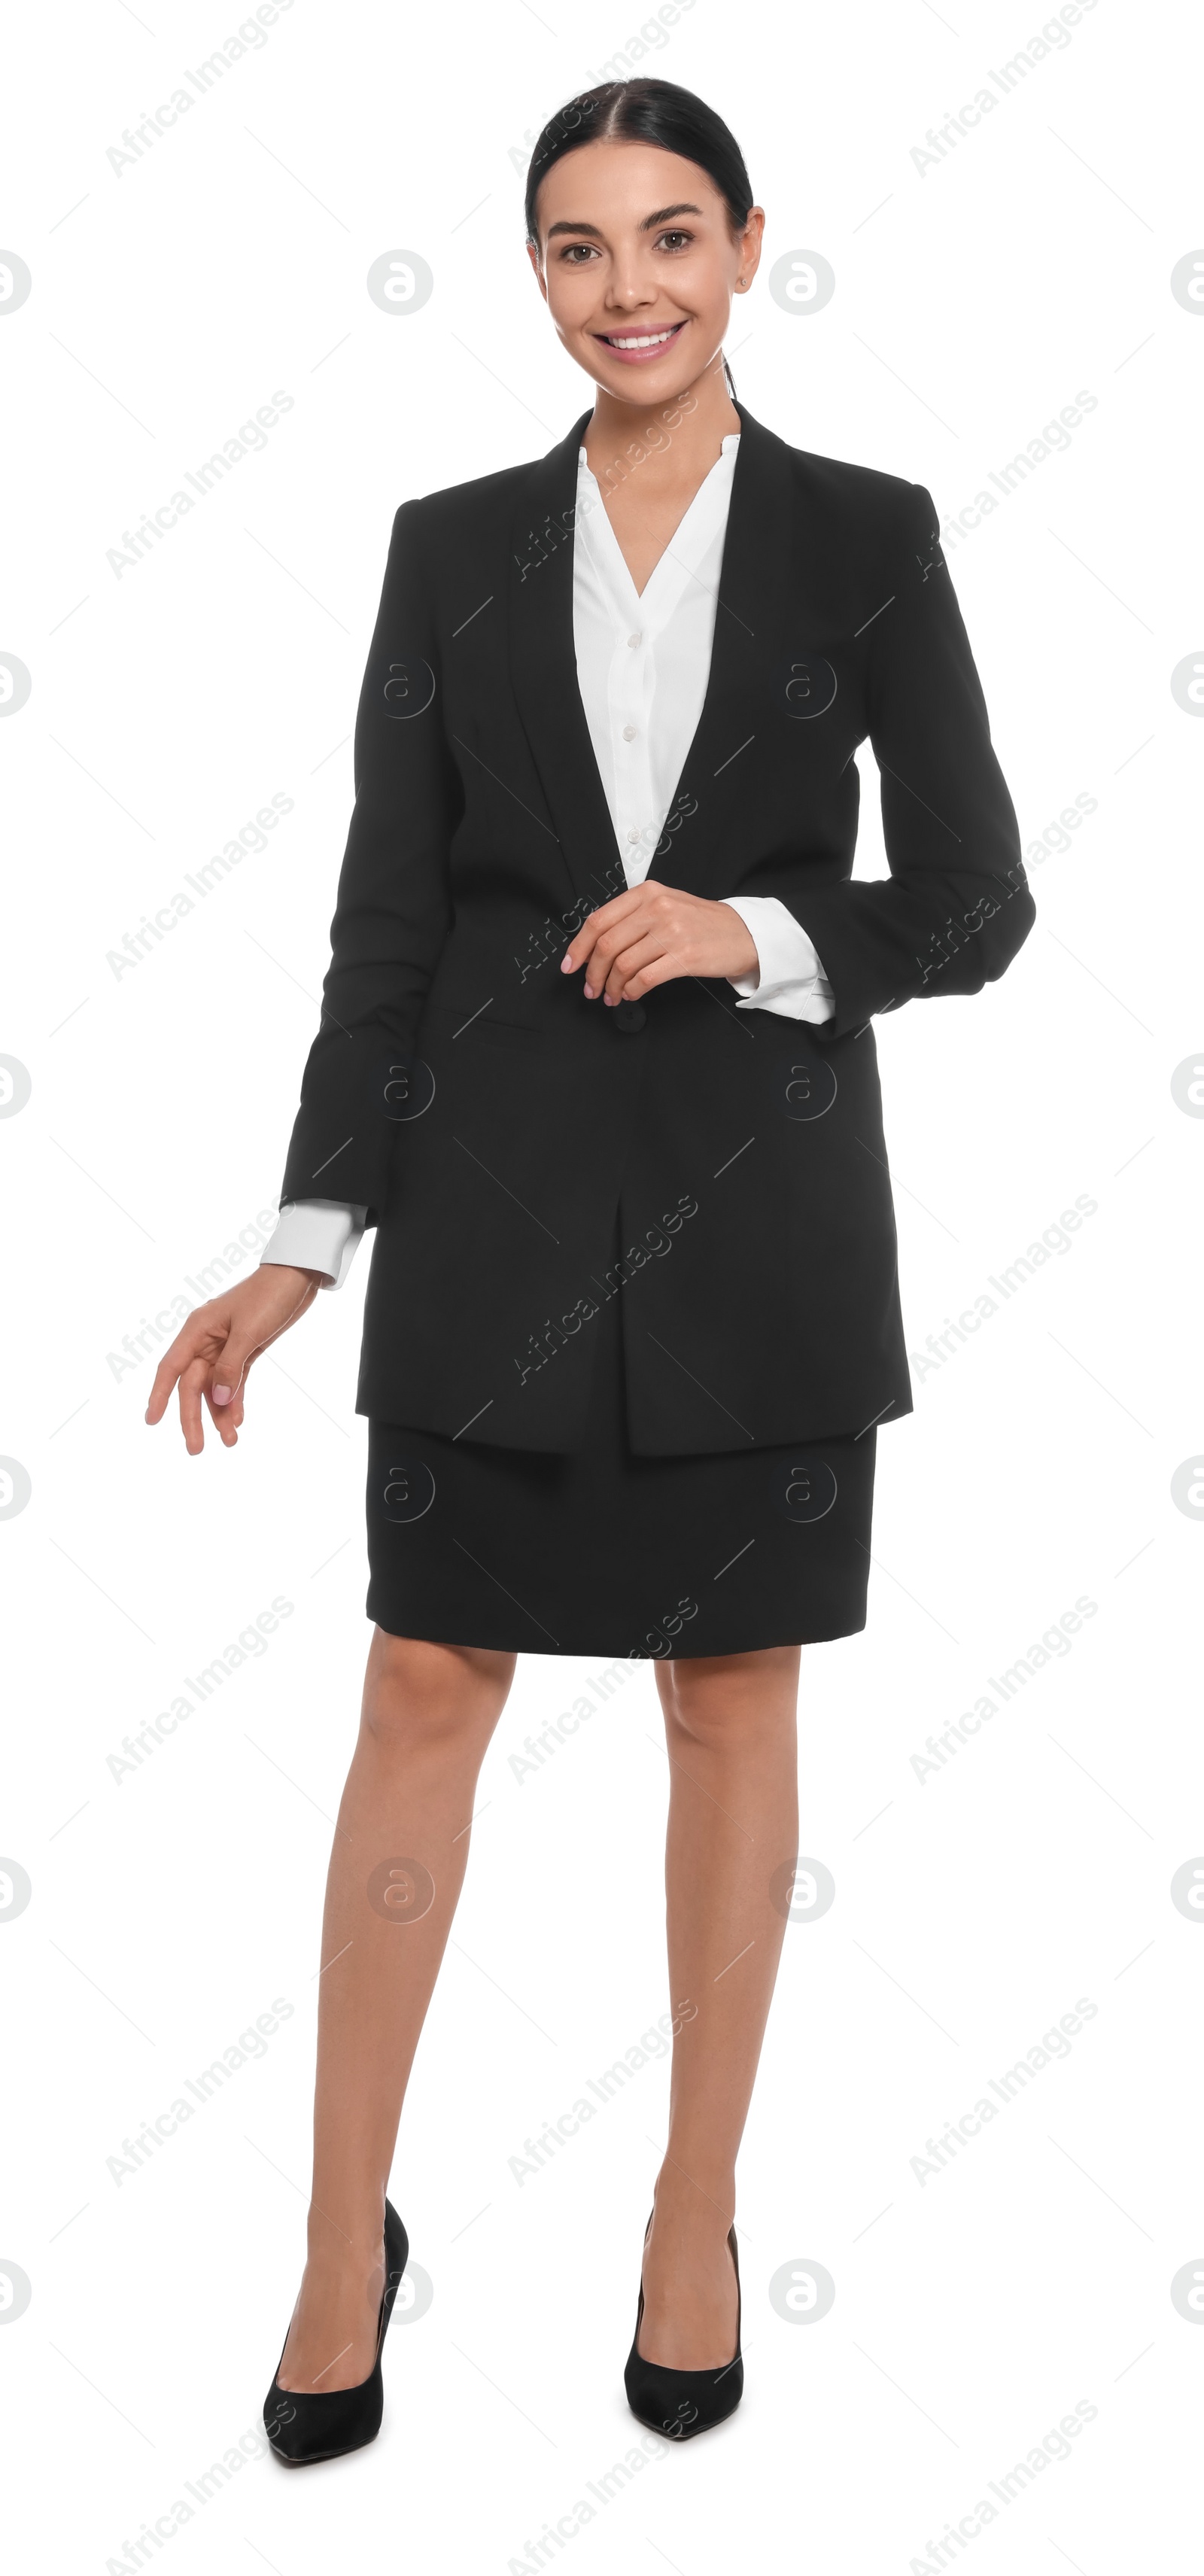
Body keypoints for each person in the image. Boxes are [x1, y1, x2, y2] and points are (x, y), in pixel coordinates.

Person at [146, 78, 1035, 2460]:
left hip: (761, 1224)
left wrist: (749, 927)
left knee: (732, 1698)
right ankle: (342, 2238)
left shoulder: (866, 534)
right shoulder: (444, 548)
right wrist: (301, 1244)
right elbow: (385, 926)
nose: (625, 286)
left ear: (751, 246)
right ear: (532, 275)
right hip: (486, 1216)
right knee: (427, 1679)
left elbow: (972, 903)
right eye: (571, 247)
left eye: (668, 235)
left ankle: (691, 2215)